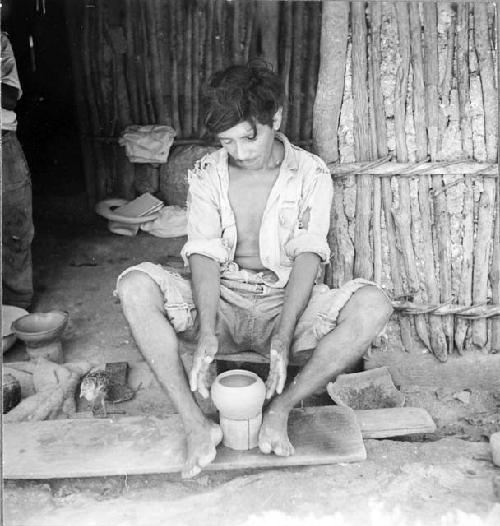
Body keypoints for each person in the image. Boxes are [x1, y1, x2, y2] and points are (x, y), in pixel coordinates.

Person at [116, 62, 392, 478]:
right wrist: (207, 329)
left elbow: (308, 255)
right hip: (222, 301)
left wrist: (284, 333)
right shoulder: (208, 173)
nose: (240, 152)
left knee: (374, 305)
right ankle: (195, 424)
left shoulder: (311, 173)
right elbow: (204, 254)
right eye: (228, 142)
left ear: (275, 119)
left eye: (249, 137)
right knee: (136, 286)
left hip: (286, 303)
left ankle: (280, 409)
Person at [1, 31, 35, 309]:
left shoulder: (1, 42)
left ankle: (17, 307)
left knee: (15, 225)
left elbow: (10, 97)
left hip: (2, 141)